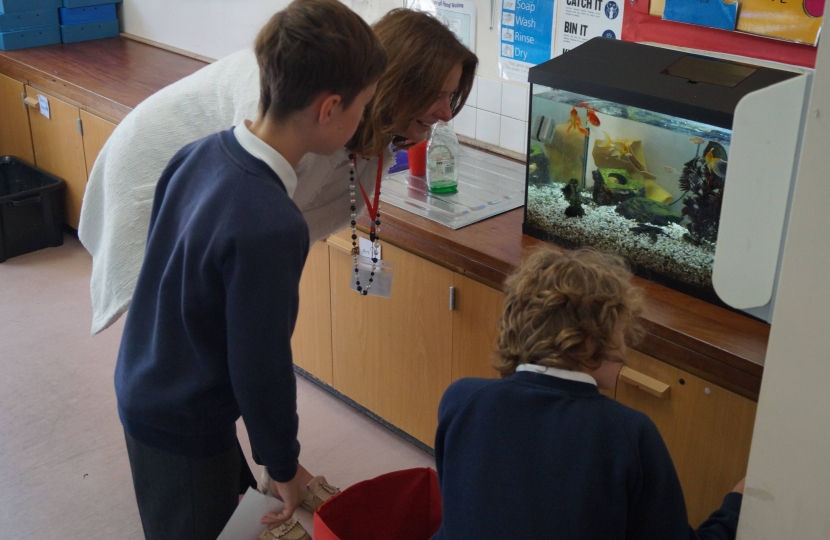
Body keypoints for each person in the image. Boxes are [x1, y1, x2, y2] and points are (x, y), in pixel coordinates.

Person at [114, 2, 387, 539]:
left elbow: (167, 278)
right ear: (330, 108)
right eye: (365, 106)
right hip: (182, 414)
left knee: (226, 505)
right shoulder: (271, 224)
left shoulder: (196, 154)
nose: (366, 121)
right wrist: (282, 464)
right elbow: (261, 364)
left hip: (148, 376)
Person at [78, 8, 478, 335]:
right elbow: (247, 247)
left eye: (450, 96)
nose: (445, 113)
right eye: (437, 95)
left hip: (208, 186)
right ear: (396, 84)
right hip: (152, 164)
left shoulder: (344, 108)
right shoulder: (294, 120)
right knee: (177, 329)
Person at [432, 247, 745, 540]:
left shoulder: (461, 399)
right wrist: (736, 508)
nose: (626, 350)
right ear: (586, 342)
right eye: (622, 335)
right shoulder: (629, 433)